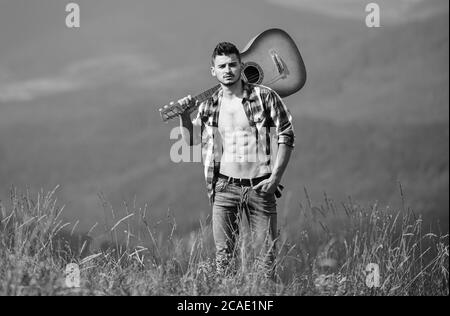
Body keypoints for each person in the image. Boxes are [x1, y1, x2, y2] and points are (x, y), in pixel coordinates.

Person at [171, 42, 295, 279]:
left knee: (265, 262)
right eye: (222, 66)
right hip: (224, 188)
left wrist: (276, 177)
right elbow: (190, 141)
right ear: (213, 71)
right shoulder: (208, 105)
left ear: (241, 66)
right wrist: (184, 116)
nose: (228, 70)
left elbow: (286, 134)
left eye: (232, 64)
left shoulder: (265, 96)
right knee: (224, 261)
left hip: (260, 187)